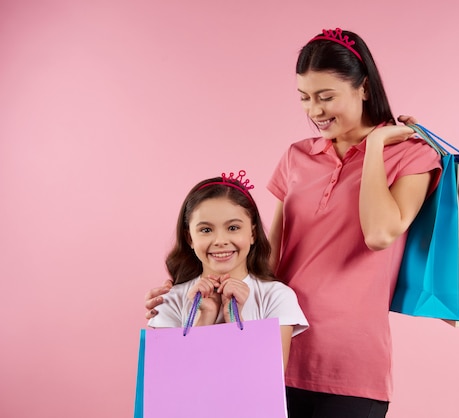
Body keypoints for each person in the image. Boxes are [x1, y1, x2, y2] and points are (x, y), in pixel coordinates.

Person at [146, 29, 441, 417]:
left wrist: (373, 148)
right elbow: (268, 258)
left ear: (364, 88)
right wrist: (186, 292)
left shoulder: (411, 155)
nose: (314, 112)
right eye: (305, 98)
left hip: (349, 363)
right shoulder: (297, 157)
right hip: (271, 347)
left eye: (326, 97)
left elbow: (380, 234)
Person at [147, 172, 308, 369]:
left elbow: (271, 375)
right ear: (189, 238)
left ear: (252, 233)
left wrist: (235, 319)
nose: (220, 241)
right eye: (206, 230)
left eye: (233, 228)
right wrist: (204, 318)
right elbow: (170, 375)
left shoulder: (277, 296)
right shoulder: (171, 299)